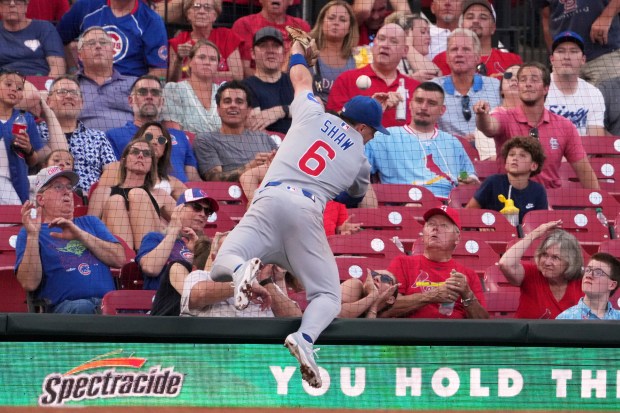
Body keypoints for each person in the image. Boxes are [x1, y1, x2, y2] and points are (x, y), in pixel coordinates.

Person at [209, 37, 389, 388]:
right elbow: (358, 192)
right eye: (372, 132)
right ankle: (305, 340)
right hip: (305, 211)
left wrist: (296, 51)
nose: (371, 138)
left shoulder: (312, 112)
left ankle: (242, 269)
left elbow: (301, 79)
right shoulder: (361, 159)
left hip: (269, 198)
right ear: (364, 128)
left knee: (221, 265)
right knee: (326, 296)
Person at [15, 166, 126, 314]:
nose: (67, 191)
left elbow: (119, 259)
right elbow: (29, 283)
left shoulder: (91, 222)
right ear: (41, 199)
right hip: (65, 309)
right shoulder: (31, 233)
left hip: (107, 305)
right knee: (83, 307)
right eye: (58, 187)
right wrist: (33, 236)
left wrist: (80, 234)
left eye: (69, 187)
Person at [474, 62, 600, 190]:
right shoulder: (504, 117)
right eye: (523, 80)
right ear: (519, 87)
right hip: (510, 200)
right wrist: (481, 115)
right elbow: (488, 127)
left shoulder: (565, 126)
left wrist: (597, 206)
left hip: (550, 201)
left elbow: (585, 172)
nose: (528, 84)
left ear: (546, 88)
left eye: (534, 80)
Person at [365, 81, 478, 200]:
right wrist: (370, 113)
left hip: (449, 206)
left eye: (432, 103)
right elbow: (355, 165)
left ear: (442, 110)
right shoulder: (384, 137)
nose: (423, 107)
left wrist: (467, 179)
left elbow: (464, 173)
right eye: (419, 101)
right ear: (410, 104)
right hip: (403, 205)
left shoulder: (452, 142)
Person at [382, 206, 489, 319]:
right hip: (412, 334)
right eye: (431, 224)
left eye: (444, 225)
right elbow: (385, 309)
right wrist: (431, 296)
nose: (436, 228)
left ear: (457, 238)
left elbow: (485, 326)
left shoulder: (468, 275)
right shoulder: (402, 263)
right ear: (423, 235)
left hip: (454, 334)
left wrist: (467, 295)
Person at [170, 233, 302, 317]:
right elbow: (198, 295)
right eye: (230, 253)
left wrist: (266, 282)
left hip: (260, 354)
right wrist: (242, 285)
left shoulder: (265, 285)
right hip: (216, 352)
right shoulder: (201, 276)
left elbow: (295, 319)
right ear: (215, 258)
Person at [106, 74, 201, 182]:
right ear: (130, 101)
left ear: (162, 101)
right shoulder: (114, 135)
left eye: (155, 93)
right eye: (142, 92)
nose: (149, 96)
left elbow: (193, 177)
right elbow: (113, 176)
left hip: (182, 196)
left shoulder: (180, 136)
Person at [327, 22, 420, 128]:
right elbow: (332, 123)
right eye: (381, 39)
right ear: (373, 43)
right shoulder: (346, 79)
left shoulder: (416, 89)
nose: (385, 45)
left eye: (393, 41)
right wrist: (368, 108)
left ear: (405, 51)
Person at [89, 137, 176, 250]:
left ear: (151, 165)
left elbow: (184, 221)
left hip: (151, 253)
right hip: (115, 253)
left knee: (138, 195)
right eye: (135, 152)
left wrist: (166, 229)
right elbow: (89, 230)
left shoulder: (160, 194)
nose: (140, 156)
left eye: (146, 153)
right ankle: (127, 260)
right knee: (115, 201)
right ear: (124, 161)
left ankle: (144, 257)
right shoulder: (102, 193)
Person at [37, 75, 117, 194]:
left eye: (74, 93)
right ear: (49, 101)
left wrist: (96, 197)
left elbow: (113, 171)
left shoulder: (98, 137)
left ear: (81, 103)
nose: (69, 96)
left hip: (89, 202)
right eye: (62, 92)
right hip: (48, 199)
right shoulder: (37, 132)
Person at [57, 0, 169, 78]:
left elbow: (159, 71)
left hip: (128, 88)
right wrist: (72, 70)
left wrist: (137, 92)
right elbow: (58, 39)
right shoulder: (85, 6)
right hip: (86, 83)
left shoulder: (152, 21)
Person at [193, 80, 278, 181]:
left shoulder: (264, 138)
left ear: (248, 110)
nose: (233, 105)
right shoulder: (206, 140)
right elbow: (213, 178)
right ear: (218, 110)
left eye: (239, 102)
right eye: (227, 101)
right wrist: (249, 168)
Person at [499, 220, 585, 319]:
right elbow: (505, 263)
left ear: (570, 262)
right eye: (544, 255)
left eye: (555, 258)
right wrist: (535, 234)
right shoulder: (531, 274)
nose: (547, 262)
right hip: (526, 334)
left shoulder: (582, 283)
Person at [137, 188, 218, 291]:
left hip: (194, 302)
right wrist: (174, 230)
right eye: (197, 207)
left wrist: (199, 250)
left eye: (207, 211)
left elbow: (209, 280)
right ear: (179, 209)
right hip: (163, 303)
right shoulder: (155, 238)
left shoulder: (206, 246)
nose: (202, 214)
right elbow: (151, 268)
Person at [431, 28, 501, 140]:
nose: (459, 54)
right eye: (454, 49)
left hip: (488, 152)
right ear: (447, 58)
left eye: (466, 49)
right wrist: (460, 141)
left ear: (478, 58)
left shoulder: (495, 86)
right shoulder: (433, 88)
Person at [95, 121, 187, 204]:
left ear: (165, 149)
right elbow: (99, 202)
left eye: (161, 140)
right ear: (136, 141)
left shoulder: (173, 183)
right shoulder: (115, 168)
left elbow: (192, 210)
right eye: (148, 137)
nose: (154, 142)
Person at [466, 136, 548, 224]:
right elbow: (468, 213)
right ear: (505, 162)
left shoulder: (538, 190)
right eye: (511, 154)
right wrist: (482, 225)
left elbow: (541, 225)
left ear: (534, 166)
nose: (515, 158)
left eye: (522, 155)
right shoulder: (492, 182)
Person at [536, 0, 620, 84]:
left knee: (610, 95)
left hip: (604, 53)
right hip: (567, 61)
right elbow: (546, 19)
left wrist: (606, 17)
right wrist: (555, 56)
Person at [432, 0, 522, 77]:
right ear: (461, 25)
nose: (475, 21)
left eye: (483, 17)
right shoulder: (442, 59)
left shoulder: (512, 60)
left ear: (493, 28)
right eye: (470, 17)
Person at [545, 31, 606, 136]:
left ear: (583, 59)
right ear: (552, 59)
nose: (567, 57)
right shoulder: (539, 89)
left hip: (583, 152)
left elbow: (596, 140)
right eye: (560, 51)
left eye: (573, 51)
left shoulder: (594, 94)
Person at [75, 27, 136, 132]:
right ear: (80, 55)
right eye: (91, 43)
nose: (98, 46)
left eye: (103, 42)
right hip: (84, 145)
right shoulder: (70, 85)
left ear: (113, 52)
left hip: (128, 144)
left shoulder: (134, 84)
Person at [167, 0, 243, 83]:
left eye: (207, 8)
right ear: (188, 14)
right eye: (196, 6)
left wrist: (199, 75)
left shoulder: (227, 36)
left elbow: (237, 75)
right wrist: (179, 60)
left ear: (214, 16)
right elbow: (172, 81)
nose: (201, 11)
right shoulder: (178, 41)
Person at [0, 69, 45, 205]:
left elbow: (33, 161)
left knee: (15, 220)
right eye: (8, 85)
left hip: (15, 182)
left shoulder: (26, 118)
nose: (14, 90)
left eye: (19, 88)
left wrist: (29, 149)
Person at [231, 0, 311, 77]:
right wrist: (274, 80)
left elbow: (308, 65)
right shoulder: (244, 24)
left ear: (291, 1)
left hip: (294, 84)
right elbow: (244, 70)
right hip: (256, 86)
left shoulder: (301, 26)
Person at [161, 41, 222, 135]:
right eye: (202, 57)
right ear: (190, 62)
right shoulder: (174, 90)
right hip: (186, 148)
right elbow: (174, 134)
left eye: (213, 59)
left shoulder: (223, 93)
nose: (207, 62)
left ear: (218, 65)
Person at [243, 27, 294, 135]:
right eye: (263, 46)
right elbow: (256, 124)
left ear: (283, 53)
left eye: (276, 46)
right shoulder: (245, 87)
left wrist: (281, 111)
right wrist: (295, 110)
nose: (271, 51)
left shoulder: (295, 80)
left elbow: (317, 108)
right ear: (252, 53)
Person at [309, 0, 360, 105]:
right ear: (322, 22)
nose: (336, 23)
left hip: (347, 118)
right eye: (331, 18)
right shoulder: (306, 50)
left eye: (342, 20)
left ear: (350, 28)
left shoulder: (359, 57)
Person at [0, 0, 65, 76]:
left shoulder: (45, 28)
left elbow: (57, 66)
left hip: (40, 81)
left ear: (26, 6)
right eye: (6, 1)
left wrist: (49, 85)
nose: (12, 4)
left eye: (18, 1)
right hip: (5, 83)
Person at [473, 64, 521, 160]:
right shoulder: (486, 121)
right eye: (508, 76)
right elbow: (491, 159)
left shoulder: (541, 117)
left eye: (520, 77)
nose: (514, 79)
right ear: (501, 91)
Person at [557, 253, 620, 320]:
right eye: (587, 270)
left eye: (598, 272)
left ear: (612, 285)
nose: (589, 275)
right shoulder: (565, 318)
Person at [384, 12, 440, 82]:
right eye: (423, 32)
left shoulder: (423, 58)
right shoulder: (391, 59)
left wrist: (409, 47)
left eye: (428, 32)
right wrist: (411, 79)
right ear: (407, 34)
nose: (428, 37)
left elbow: (437, 76)